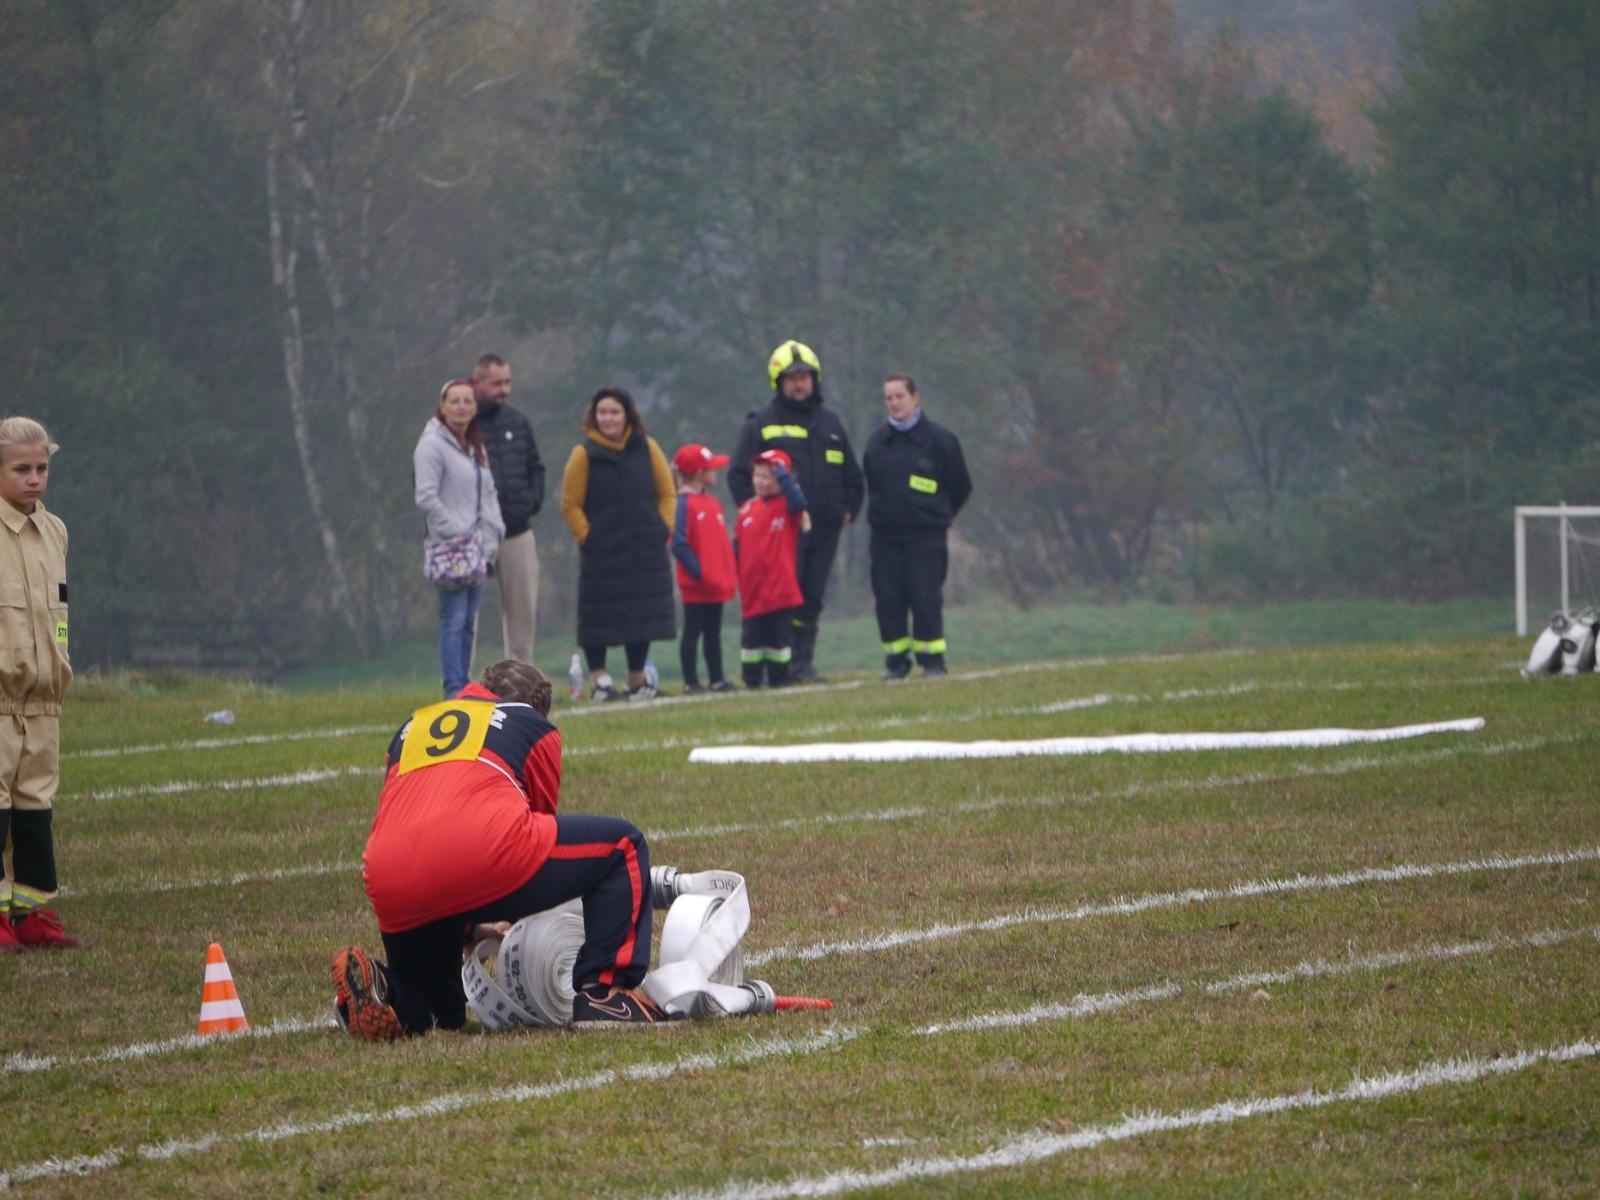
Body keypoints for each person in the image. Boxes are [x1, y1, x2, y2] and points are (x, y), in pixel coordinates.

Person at [333, 659, 679, 1038]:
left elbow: (419, 819)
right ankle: (606, 993)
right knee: (622, 847)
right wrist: (514, 922)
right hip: (482, 851)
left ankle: (383, 988)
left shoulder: (411, 726)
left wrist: (469, 927)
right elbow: (536, 830)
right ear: (536, 707)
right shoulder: (531, 724)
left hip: (389, 875)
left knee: (441, 1013)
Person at [729, 340, 863, 684]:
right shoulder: (761, 423)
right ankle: (777, 667)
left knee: (812, 598)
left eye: (804, 377)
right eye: (791, 378)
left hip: (824, 529)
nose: (799, 384)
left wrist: (849, 509)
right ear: (778, 382)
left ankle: (802, 664)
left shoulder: (831, 423)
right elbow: (739, 477)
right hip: (780, 535)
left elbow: (851, 474)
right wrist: (758, 518)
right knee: (781, 599)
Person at [0, 416, 79, 951]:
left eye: (42, 468)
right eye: (21, 469)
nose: (34, 479)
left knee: (34, 807)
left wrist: (59, 661)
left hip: (43, 700)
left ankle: (31, 913)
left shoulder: (55, 532)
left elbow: (57, 615)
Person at [560, 387, 676, 701]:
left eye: (614, 412)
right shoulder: (583, 454)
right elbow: (570, 503)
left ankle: (637, 679)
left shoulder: (647, 447)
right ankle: (599, 679)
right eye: (602, 412)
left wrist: (662, 526)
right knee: (597, 615)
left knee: (642, 613)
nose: (608, 418)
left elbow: (667, 492)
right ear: (594, 417)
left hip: (645, 548)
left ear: (627, 415)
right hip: (602, 552)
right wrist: (587, 536)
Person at [862, 374, 972, 679]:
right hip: (885, 538)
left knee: (925, 597)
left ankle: (932, 660)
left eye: (900, 396)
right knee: (888, 599)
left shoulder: (940, 441)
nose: (894, 403)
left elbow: (960, 486)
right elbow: (871, 483)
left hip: (926, 536)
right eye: (889, 398)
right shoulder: (877, 443)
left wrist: (938, 515)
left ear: (915, 397)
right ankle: (896, 662)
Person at [415, 379, 506, 698]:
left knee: (468, 620)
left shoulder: (474, 445)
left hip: (477, 549)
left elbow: (488, 492)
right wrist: (456, 529)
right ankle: (453, 688)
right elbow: (426, 496)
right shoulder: (431, 445)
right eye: (454, 401)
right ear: (442, 406)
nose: (461, 407)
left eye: (468, 401)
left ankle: (465, 683)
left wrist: (493, 531)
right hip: (450, 548)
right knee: (453, 618)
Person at [472, 353, 545, 668]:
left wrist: (531, 502)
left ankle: (520, 678)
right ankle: (460, 680)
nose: (504, 390)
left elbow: (535, 466)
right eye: (497, 383)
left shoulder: (517, 421)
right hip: (472, 534)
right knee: (465, 613)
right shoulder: (461, 422)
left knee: (523, 611)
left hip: (516, 531)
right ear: (478, 382)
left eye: (508, 382)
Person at [735, 449, 809, 688]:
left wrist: (784, 475)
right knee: (752, 638)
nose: (761, 481)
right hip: (753, 590)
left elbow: (799, 502)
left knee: (778, 637)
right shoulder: (746, 509)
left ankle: (780, 678)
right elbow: (738, 548)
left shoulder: (788, 508)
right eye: (757, 475)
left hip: (780, 588)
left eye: (767, 476)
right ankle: (752, 679)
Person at [670, 443, 738, 694]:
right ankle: (691, 682)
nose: (715, 472)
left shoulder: (712, 502)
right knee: (693, 631)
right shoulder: (683, 503)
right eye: (711, 468)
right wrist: (699, 572)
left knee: (713, 632)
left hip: (715, 583)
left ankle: (717, 679)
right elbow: (678, 543)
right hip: (697, 585)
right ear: (699, 473)